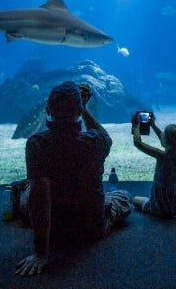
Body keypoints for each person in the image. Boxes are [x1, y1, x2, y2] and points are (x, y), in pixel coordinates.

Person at [15, 81, 132, 276]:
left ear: (47, 110)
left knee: (31, 191)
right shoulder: (93, 141)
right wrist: (84, 109)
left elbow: (41, 197)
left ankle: (16, 195)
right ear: (78, 110)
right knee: (123, 196)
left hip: (54, 230)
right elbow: (107, 139)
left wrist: (41, 252)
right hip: (91, 228)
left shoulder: (37, 144)